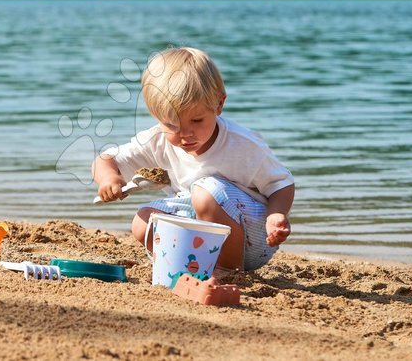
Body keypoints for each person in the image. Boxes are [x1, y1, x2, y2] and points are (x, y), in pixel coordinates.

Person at [92, 47, 294, 273]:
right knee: (143, 221)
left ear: (218, 105)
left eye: (196, 121)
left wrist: (276, 215)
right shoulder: (157, 140)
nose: (185, 133)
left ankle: (229, 271)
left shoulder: (242, 145)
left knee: (204, 194)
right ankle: (186, 269)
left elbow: (281, 184)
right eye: (171, 124)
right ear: (156, 115)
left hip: (252, 237)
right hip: (200, 229)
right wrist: (110, 178)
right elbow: (106, 159)